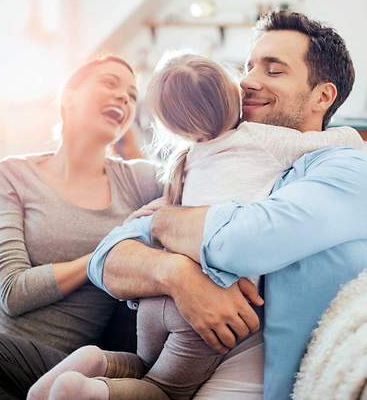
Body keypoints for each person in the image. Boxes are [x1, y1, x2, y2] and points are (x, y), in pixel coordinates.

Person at [29, 47, 364, 400]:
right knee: (162, 391)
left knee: (144, 364)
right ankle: (94, 392)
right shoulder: (264, 145)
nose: (249, 81)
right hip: (199, 320)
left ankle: (98, 365)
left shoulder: (187, 163)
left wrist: (162, 226)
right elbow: (105, 258)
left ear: (324, 95)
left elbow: (242, 240)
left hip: (154, 308)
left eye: (273, 70)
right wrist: (178, 274)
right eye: (247, 68)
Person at [0, 55, 162, 399]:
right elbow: (11, 291)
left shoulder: (139, 181)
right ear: (68, 95)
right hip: (3, 354)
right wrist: (104, 255)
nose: (123, 98)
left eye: (131, 95)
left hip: (62, 366)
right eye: (110, 83)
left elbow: (202, 176)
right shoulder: (15, 174)